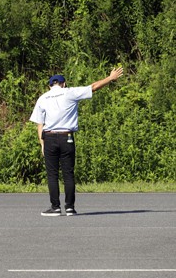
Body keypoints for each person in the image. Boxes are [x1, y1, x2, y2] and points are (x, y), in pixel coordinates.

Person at [29, 67, 124, 216]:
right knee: (68, 173)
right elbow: (93, 87)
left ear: (49, 86)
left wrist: (42, 143)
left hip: (49, 137)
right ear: (64, 84)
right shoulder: (70, 92)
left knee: (52, 174)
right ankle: (69, 207)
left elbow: (39, 123)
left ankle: (55, 207)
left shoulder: (43, 98)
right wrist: (110, 78)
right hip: (67, 137)